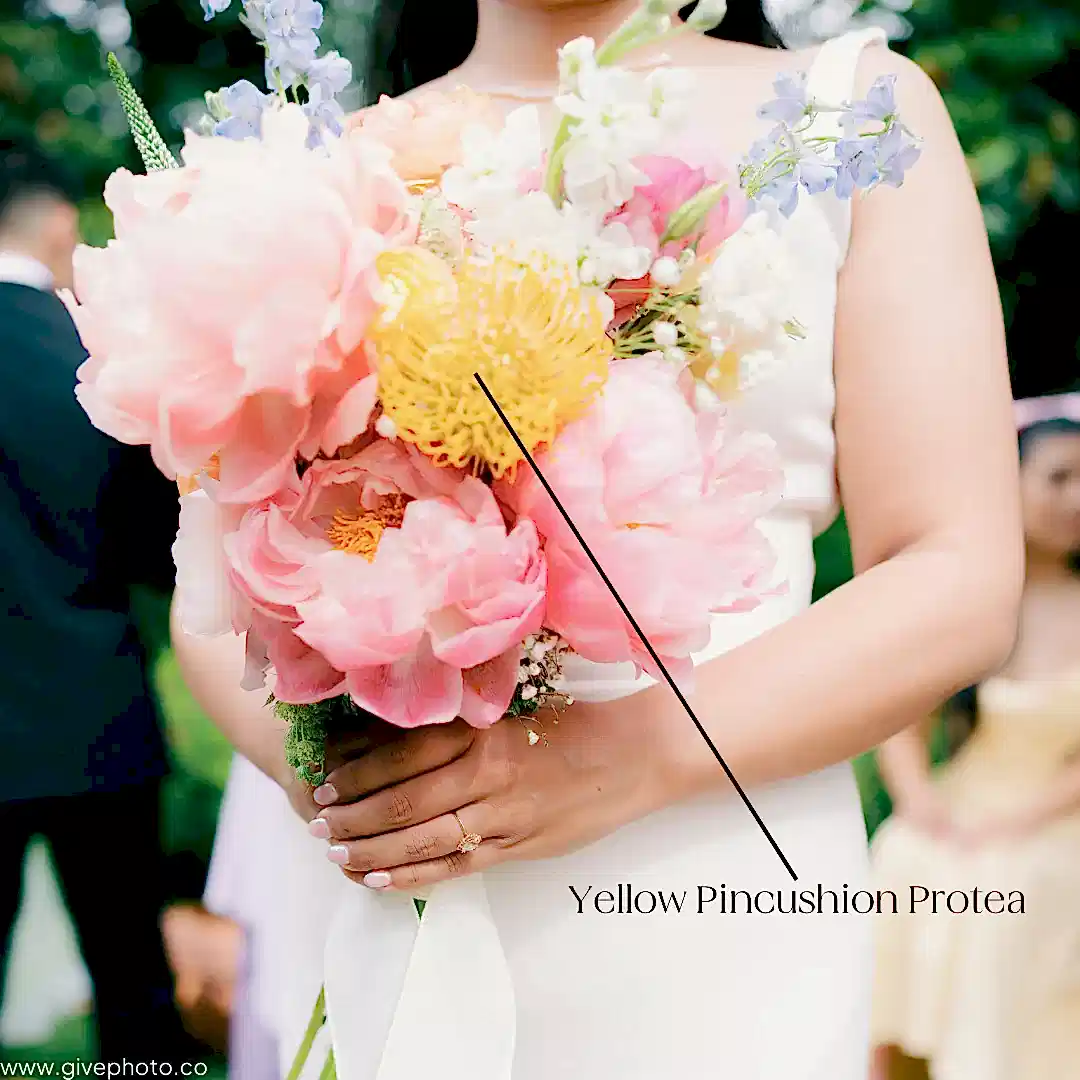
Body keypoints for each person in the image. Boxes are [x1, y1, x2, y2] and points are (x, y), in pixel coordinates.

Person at [175, 1, 1023, 1077]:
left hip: (714, 880)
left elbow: (956, 571)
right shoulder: (330, 169)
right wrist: (349, 784)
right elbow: (209, 586)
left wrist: (627, 758)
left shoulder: (842, 118)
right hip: (409, 883)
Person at [0, 140, 194, 1062]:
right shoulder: (100, 361)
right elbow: (170, 551)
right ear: (58, 226)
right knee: (132, 990)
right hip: (96, 714)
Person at [870, 395, 1080, 1080]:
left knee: (1011, 886)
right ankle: (882, 1061)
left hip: (1058, 812)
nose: (1076, 498)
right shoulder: (982, 596)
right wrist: (918, 799)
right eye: (1058, 478)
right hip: (972, 797)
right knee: (903, 856)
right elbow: (899, 711)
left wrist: (1017, 823)